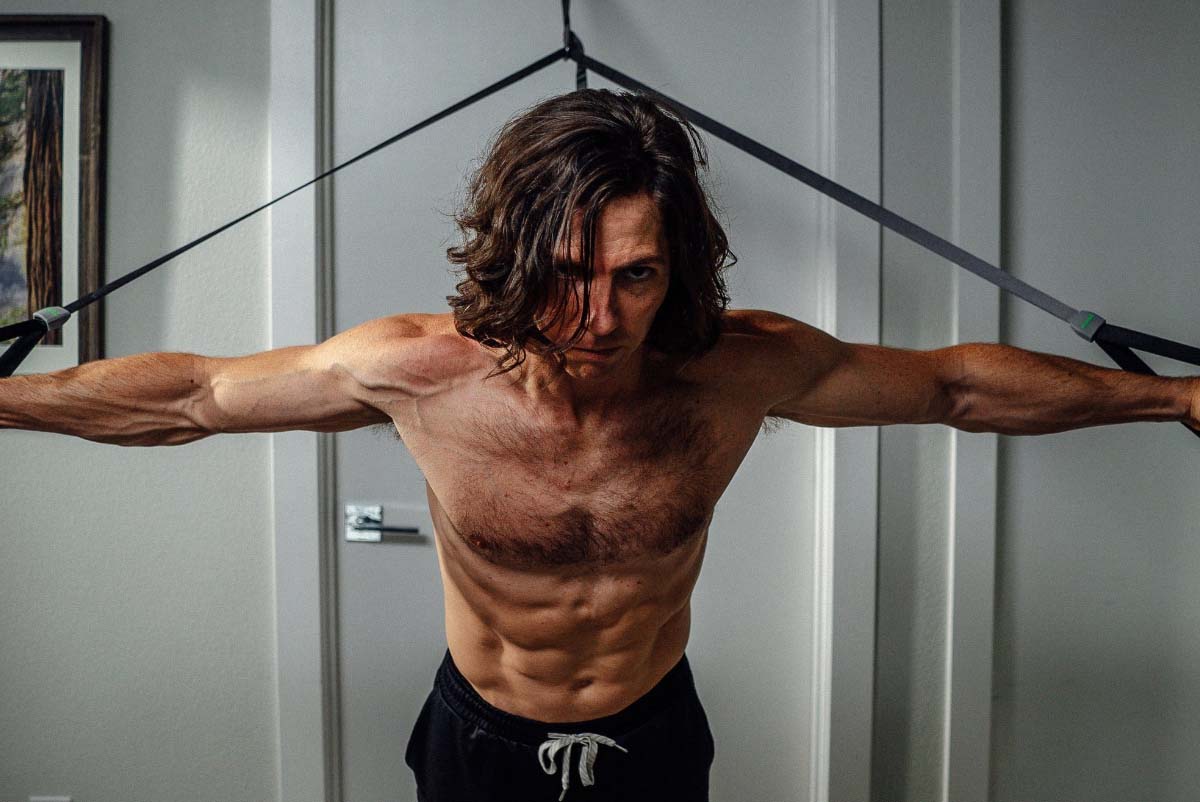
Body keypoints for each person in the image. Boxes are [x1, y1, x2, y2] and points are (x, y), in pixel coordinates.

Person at [2, 89, 1196, 802]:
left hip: (653, 732)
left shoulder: (742, 368)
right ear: (519, 258)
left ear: (676, 270)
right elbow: (199, 394)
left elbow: (949, 388)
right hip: (476, 740)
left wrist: (1176, 403)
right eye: (568, 275)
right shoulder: (418, 371)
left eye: (636, 277)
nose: (599, 316)